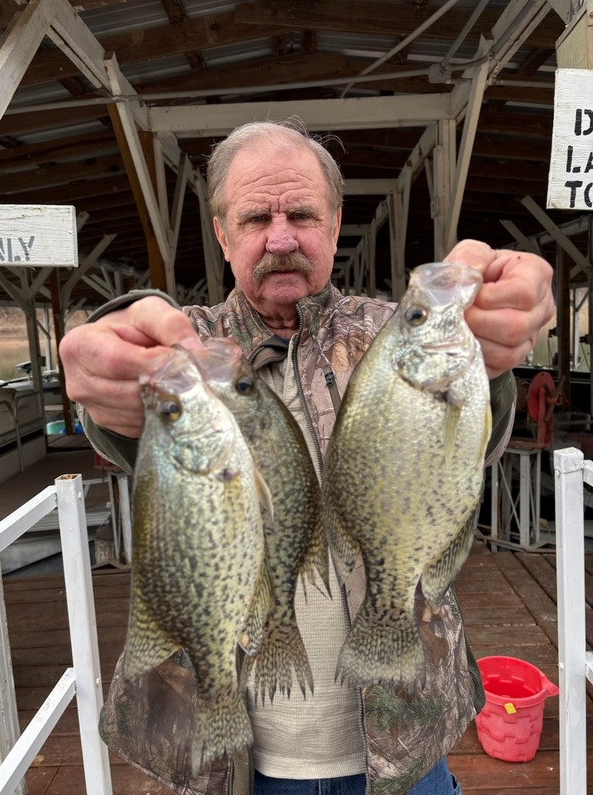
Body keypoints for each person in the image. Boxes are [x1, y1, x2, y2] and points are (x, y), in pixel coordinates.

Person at [59, 120, 555, 795]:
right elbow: (121, 414)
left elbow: (469, 444)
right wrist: (109, 387)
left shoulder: (392, 334)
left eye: (303, 215)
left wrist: (492, 358)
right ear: (222, 232)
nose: (282, 236)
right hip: (228, 765)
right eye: (257, 217)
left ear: (336, 222)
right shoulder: (192, 354)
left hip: (404, 750)